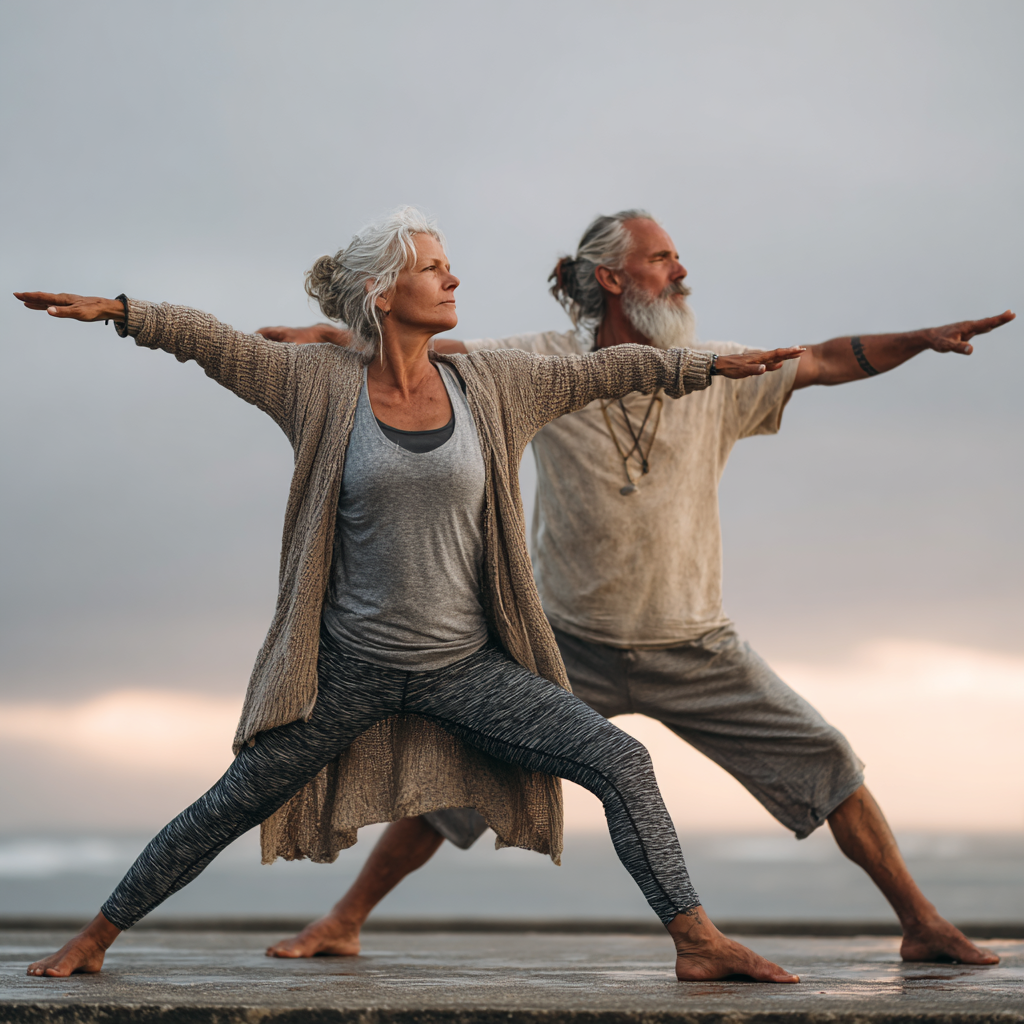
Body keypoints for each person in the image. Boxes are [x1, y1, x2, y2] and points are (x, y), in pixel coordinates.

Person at [13, 207, 806, 983]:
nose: (453, 276)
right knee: (231, 802)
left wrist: (695, 366)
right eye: (432, 267)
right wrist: (124, 312)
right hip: (348, 671)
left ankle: (697, 942)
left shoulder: (490, 384)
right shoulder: (315, 384)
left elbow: (600, 370)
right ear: (382, 293)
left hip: (465, 669)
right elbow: (212, 343)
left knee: (623, 764)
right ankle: (94, 937)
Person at [259, 209, 1014, 966]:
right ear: (613, 279)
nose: (681, 273)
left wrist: (916, 340)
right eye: (662, 258)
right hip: (568, 645)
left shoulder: (721, 370)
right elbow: (427, 355)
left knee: (830, 765)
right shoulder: (542, 363)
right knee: (459, 784)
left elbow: (821, 359)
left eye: (678, 258)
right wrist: (332, 339)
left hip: (694, 644)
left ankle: (921, 924)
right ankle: (344, 920)